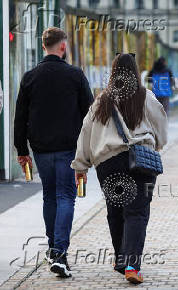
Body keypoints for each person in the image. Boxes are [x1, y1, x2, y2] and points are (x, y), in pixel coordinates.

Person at [71, 53, 167, 285]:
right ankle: (132, 264)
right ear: (135, 71)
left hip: (109, 162)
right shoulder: (145, 96)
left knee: (116, 212)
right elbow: (161, 124)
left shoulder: (102, 100)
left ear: (113, 72)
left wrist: (81, 165)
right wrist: (158, 143)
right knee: (137, 212)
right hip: (140, 161)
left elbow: (86, 131)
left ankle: (122, 261)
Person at [13, 27, 93, 278]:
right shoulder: (75, 75)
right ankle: (59, 253)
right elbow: (89, 115)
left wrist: (22, 150)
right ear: (63, 46)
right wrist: (87, 153)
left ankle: (53, 249)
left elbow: (20, 117)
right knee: (66, 197)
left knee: (50, 196)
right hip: (69, 148)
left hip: (41, 149)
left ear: (44, 46)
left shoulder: (29, 77)